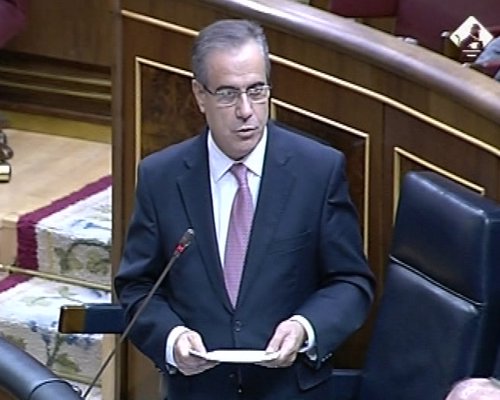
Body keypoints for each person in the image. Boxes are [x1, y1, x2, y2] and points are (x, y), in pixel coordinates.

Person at [114, 18, 375, 400]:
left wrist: (305, 327)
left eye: (256, 90)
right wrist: (172, 338)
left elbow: (351, 282)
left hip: (289, 391)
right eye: (227, 94)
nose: (246, 111)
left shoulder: (318, 170)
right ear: (199, 95)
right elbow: (138, 287)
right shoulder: (161, 177)